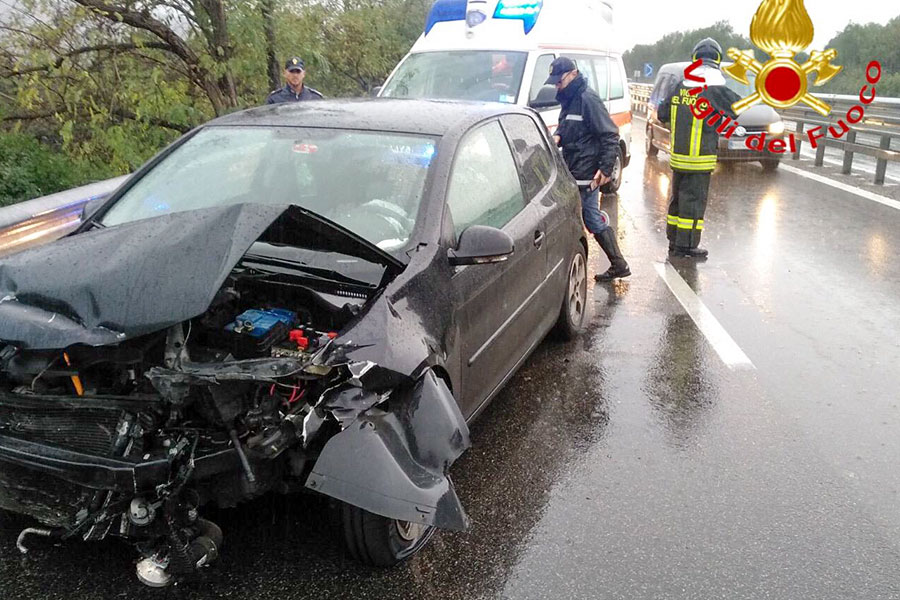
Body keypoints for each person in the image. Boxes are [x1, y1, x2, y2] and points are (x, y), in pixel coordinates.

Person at [546, 56, 630, 281]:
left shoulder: (587, 98)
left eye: (559, 80)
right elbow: (570, 127)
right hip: (574, 170)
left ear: (573, 74)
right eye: (555, 82)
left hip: (587, 173)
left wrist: (606, 169)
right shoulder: (570, 98)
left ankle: (617, 263)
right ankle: (617, 263)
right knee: (585, 216)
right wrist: (558, 136)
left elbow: (610, 134)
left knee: (588, 217)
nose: (557, 85)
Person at [657, 38, 740, 258]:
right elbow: (738, 108)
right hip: (700, 159)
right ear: (718, 59)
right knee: (693, 204)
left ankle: (674, 241)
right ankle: (687, 246)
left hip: (678, 158)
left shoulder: (680, 85)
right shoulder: (714, 88)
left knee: (677, 201)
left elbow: (662, 114)